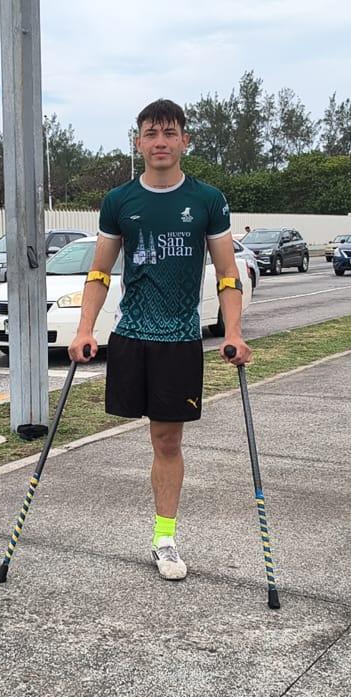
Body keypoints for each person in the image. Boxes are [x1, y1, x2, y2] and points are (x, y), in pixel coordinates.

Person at [69, 99, 251, 582]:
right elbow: (99, 271)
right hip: (130, 336)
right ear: (139, 142)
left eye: (170, 133)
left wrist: (233, 331)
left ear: (185, 140)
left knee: (167, 440)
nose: (161, 142)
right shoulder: (120, 200)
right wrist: (85, 328)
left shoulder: (208, 199)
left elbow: (228, 274)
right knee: (114, 435)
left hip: (178, 339)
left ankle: (164, 538)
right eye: (151, 134)